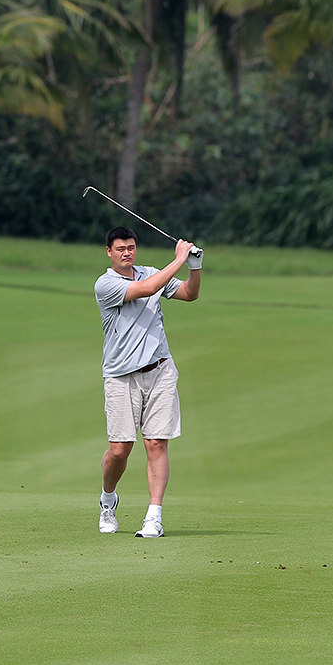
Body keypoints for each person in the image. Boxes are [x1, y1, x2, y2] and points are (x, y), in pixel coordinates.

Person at [93, 226, 201, 537]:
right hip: (120, 374)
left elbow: (190, 294)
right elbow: (146, 289)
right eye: (120, 248)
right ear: (109, 253)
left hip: (160, 370)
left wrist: (194, 268)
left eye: (131, 247)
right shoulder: (106, 284)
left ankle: (154, 516)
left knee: (156, 443)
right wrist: (179, 258)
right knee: (120, 449)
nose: (126, 252)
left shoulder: (152, 271)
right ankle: (108, 499)